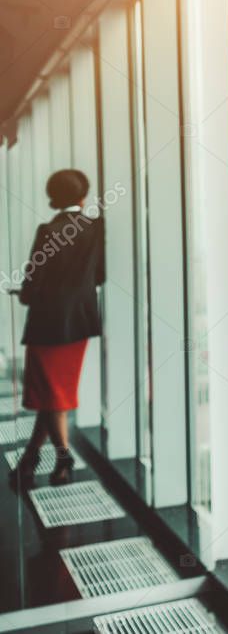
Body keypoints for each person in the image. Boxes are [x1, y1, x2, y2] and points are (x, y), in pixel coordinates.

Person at [8, 169, 105, 487]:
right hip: (78, 323)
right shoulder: (95, 227)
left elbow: (34, 283)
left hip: (47, 325)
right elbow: (99, 276)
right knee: (54, 396)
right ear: (82, 196)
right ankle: (33, 458)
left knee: (50, 395)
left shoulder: (48, 230)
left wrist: (22, 294)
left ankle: (62, 456)